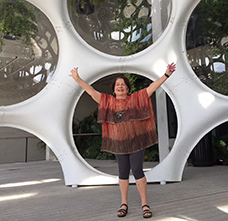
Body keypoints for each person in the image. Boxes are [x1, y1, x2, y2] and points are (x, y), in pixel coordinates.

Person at [70, 63, 176, 218]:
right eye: (118, 85)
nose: (120, 86)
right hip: (119, 144)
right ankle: (124, 203)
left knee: (138, 170)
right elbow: (91, 91)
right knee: (123, 172)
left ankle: (144, 203)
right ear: (114, 89)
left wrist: (166, 75)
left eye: (123, 85)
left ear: (127, 89)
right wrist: (77, 78)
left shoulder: (136, 99)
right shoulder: (107, 101)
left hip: (136, 142)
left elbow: (152, 87)